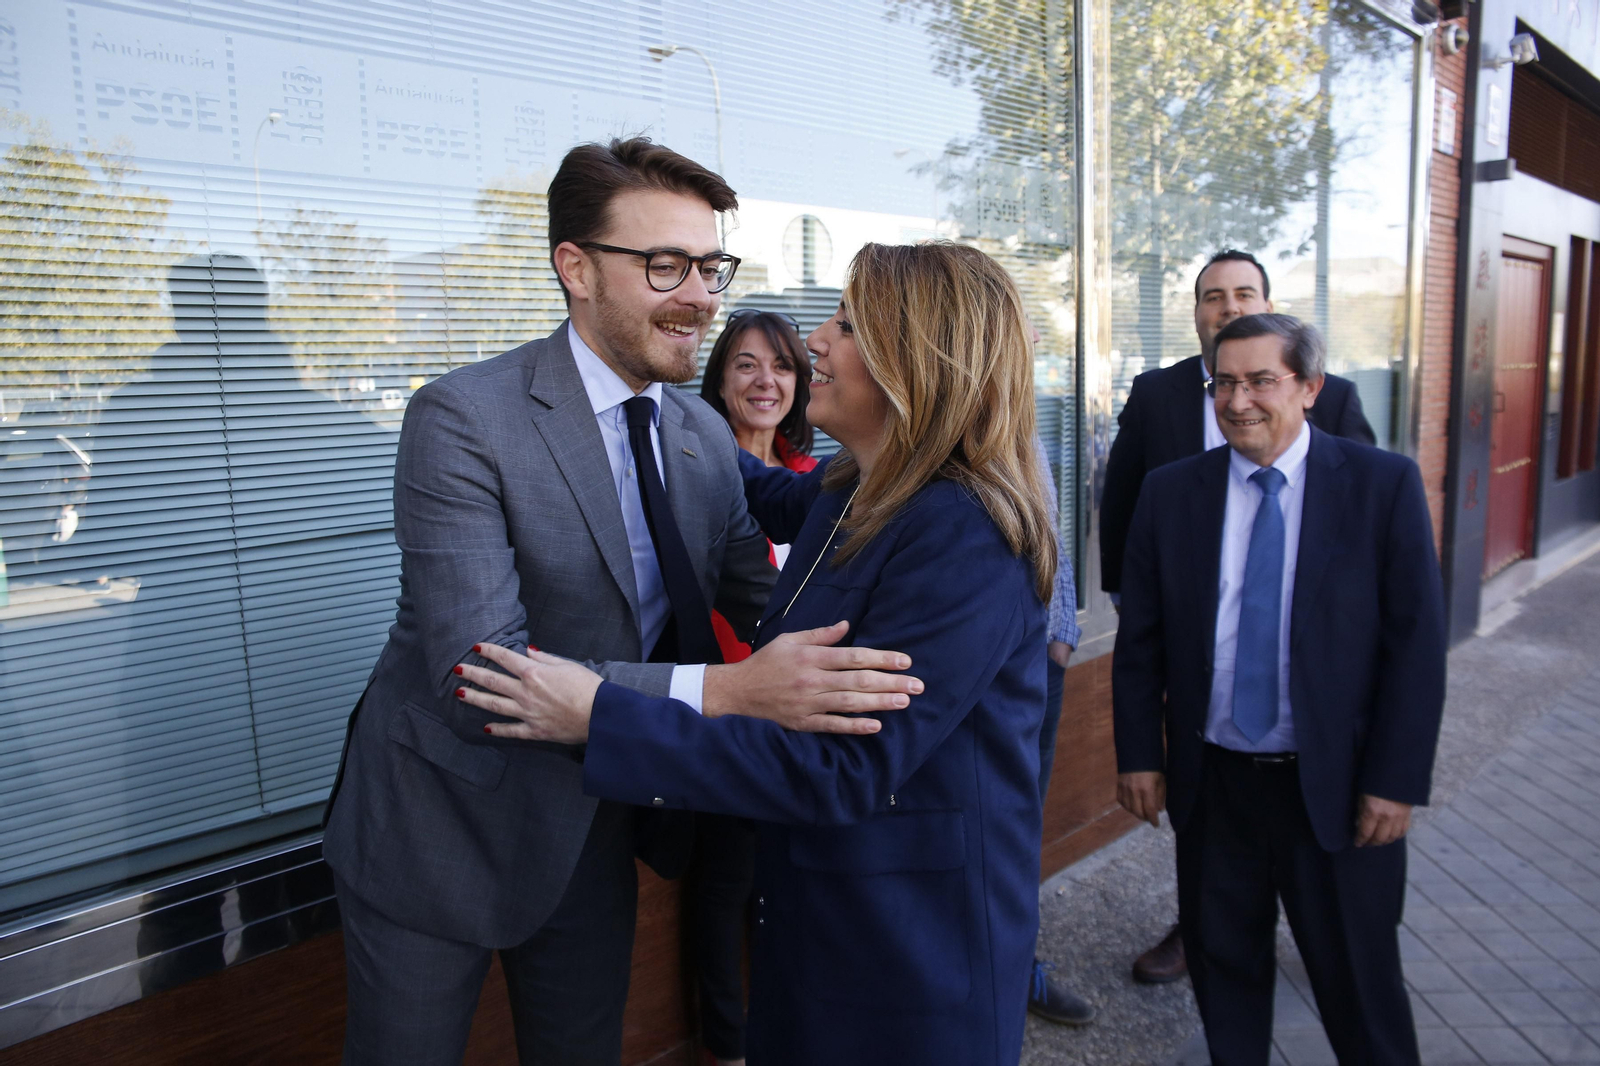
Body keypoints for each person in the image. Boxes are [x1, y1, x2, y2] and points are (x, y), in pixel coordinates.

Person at [320, 138, 919, 1066]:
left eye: (709, 266)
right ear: (575, 268)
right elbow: (479, 678)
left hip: (595, 817)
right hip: (434, 830)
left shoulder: (700, 433)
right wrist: (733, 693)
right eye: (666, 266)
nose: (701, 298)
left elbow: (768, 605)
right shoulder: (461, 420)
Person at [457, 241, 1058, 1065]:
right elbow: (734, 476)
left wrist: (599, 713)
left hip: (910, 965)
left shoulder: (963, 534)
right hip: (820, 930)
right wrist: (641, 401)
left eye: (846, 324)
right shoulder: (854, 489)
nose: (816, 338)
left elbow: (839, 768)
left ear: (913, 357)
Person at [1112, 313, 1445, 1065]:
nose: (1238, 400)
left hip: (1338, 790)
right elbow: (1141, 646)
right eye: (1223, 382)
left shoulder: (1380, 486)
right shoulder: (1171, 495)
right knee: (1226, 981)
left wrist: (1395, 780)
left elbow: (1415, 649)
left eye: (1261, 380)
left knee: (1362, 992)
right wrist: (1139, 755)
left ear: (1310, 388)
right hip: (1216, 787)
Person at [1100, 248, 1378, 984]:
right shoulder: (1157, 393)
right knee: (1212, 831)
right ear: (1196, 313)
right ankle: (1198, 930)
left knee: (1326, 883)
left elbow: (1366, 537)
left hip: (1304, 659)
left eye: (1243, 293)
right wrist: (1131, 599)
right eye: (1212, 296)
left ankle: (1304, 922)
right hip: (1201, 640)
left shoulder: (1337, 399)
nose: (1227, 306)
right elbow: (1124, 496)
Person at [690, 307, 818, 1066]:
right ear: (718, 380)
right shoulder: (687, 473)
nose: (765, 381)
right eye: (745, 364)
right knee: (724, 884)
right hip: (721, 709)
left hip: (801, 719)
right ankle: (728, 1048)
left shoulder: (818, 481)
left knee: (796, 886)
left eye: (781, 366)